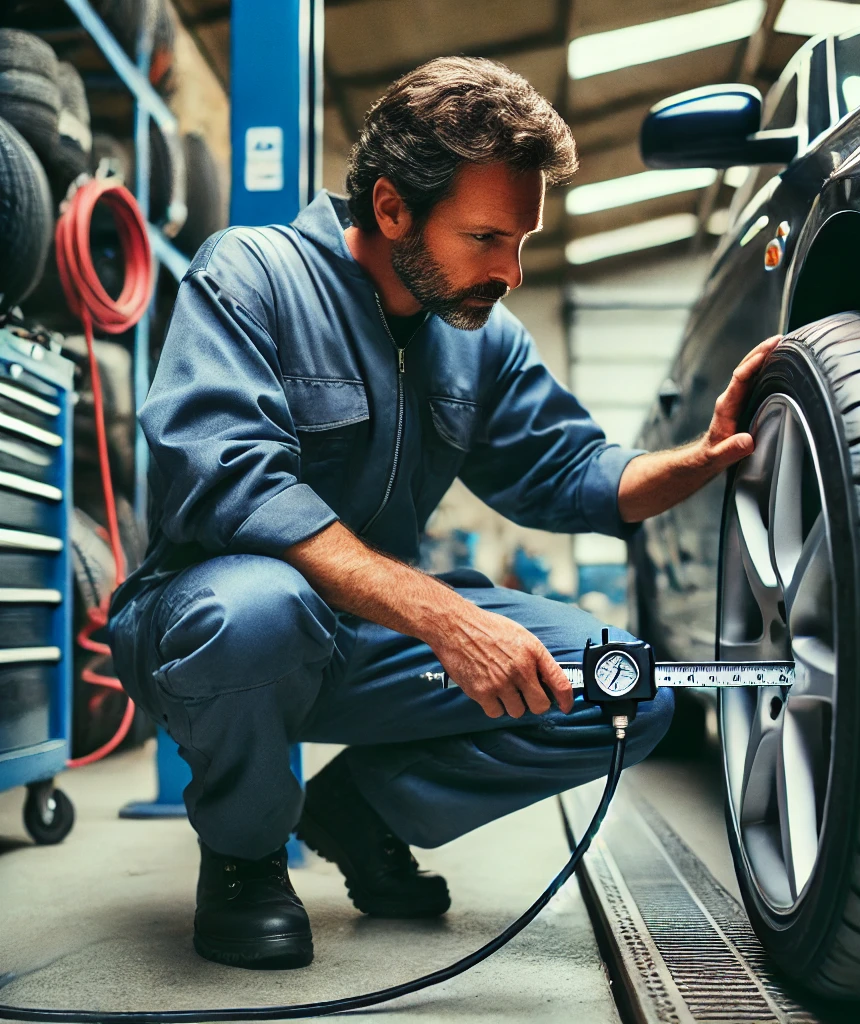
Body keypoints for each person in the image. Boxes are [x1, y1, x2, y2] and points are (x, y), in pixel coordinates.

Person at [109, 55, 780, 970]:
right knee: (259, 607)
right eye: (486, 238)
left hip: (371, 638)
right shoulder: (251, 276)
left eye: (521, 242)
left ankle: (361, 811)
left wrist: (697, 460)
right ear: (391, 210)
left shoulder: (481, 337)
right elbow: (234, 488)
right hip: (208, 626)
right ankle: (244, 857)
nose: (508, 271)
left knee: (628, 687)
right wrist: (449, 618)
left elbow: (572, 469)